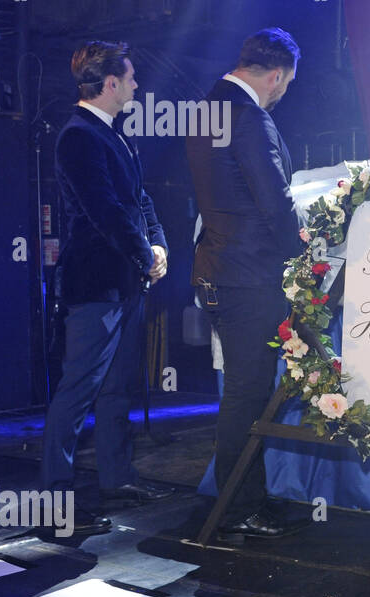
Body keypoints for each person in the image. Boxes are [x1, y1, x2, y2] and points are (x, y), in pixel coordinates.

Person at [42, 41, 174, 537]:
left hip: (125, 281)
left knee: (116, 389)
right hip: (95, 283)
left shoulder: (114, 136)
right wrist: (145, 253)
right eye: (132, 77)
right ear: (111, 84)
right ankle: (55, 496)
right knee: (78, 390)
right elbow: (105, 211)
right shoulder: (79, 136)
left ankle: (118, 480)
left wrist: (157, 245)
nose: (138, 85)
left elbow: (140, 199)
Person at [187, 28, 305, 540]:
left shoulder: (205, 111)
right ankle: (238, 508)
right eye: (286, 85)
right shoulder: (250, 117)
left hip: (217, 272)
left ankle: (246, 501)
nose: (282, 96)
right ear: (276, 75)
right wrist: (306, 255)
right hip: (249, 277)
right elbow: (274, 200)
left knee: (244, 394)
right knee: (245, 396)